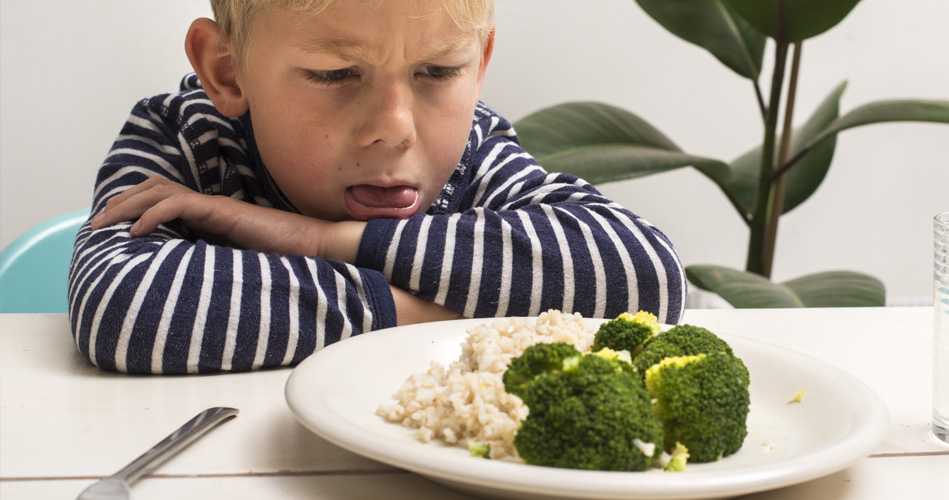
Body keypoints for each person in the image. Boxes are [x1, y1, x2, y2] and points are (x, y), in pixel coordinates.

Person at [69, 0, 686, 375]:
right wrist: (436, 310)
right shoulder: (185, 136)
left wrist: (318, 240)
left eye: (438, 71)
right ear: (226, 71)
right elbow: (124, 308)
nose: (393, 129)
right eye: (335, 74)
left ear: (480, 63)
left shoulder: (474, 150)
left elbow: (646, 274)